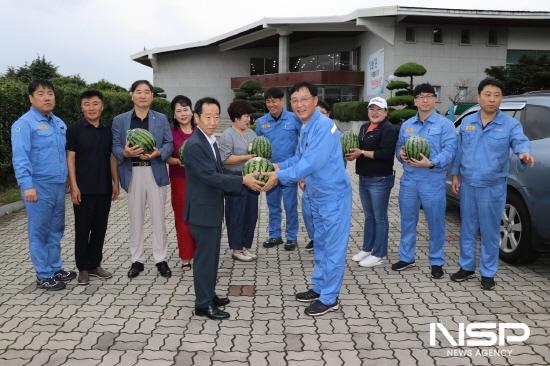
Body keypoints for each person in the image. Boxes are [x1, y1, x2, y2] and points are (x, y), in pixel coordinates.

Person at [263, 81, 352, 317]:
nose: (300, 104)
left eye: (304, 99)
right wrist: (277, 165)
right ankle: (320, 287)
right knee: (320, 246)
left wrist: (278, 176)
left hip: (332, 198)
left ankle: (330, 297)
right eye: (295, 100)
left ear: (315, 100)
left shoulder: (323, 126)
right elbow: (299, 157)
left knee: (333, 249)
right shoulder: (306, 126)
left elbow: (310, 163)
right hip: (315, 196)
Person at [450, 78, 534, 290]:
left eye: (496, 95)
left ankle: (488, 273)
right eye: (487, 94)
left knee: (489, 231)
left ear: (501, 98)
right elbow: (460, 151)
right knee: (468, 228)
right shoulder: (469, 122)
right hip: (468, 185)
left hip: (493, 187)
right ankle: (466, 267)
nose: (492, 99)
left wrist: (524, 154)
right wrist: (456, 174)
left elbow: (520, 142)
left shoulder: (510, 124)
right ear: (478, 97)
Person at [184, 97, 263, 320]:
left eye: (216, 116)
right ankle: (202, 305)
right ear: (196, 118)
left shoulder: (209, 140)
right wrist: (242, 181)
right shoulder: (195, 145)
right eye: (207, 117)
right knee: (205, 259)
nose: (212, 121)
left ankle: (208, 294)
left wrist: (242, 175)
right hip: (203, 211)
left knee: (212, 257)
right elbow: (211, 176)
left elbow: (220, 170)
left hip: (211, 209)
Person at [11, 80, 77, 290]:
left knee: (56, 229)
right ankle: (43, 274)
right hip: (38, 186)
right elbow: (20, 157)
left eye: (50, 93)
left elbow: (64, 155)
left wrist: (67, 179)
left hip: (58, 185)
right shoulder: (24, 124)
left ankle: (55, 268)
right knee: (39, 231)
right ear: (31, 98)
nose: (47, 97)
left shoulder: (58, 123)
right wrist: (26, 185)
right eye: (41, 94)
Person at [393, 83, 457, 279]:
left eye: (429, 96)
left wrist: (432, 163)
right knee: (407, 220)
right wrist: (402, 155)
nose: (425, 100)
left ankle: (436, 261)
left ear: (434, 99)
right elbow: (399, 149)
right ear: (415, 100)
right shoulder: (407, 125)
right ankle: (406, 257)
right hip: (410, 180)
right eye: (421, 96)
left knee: (435, 222)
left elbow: (450, 150)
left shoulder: (445, 124)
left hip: (433, 179)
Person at [112, 80, 173, 278]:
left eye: (147, 92)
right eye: (139, 92)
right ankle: (136, 260)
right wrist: (125, 153)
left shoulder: (161, 118)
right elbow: (115, 146)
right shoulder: (120, 120)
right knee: (135, 218)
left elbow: (169, 143)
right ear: (132, 95)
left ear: (152, 96)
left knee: (158, 219)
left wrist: (158, 153)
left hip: (155, 171)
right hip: (133, 172)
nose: (143, 95)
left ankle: (160, 259)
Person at [66, 90, 119, 285]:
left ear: (102, 106)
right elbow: (70, 158)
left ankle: (95, 264)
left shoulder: (108, 129)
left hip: (104, 188)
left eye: (95, 103)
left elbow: (111, 157)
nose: (91, 108)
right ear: (82, 107)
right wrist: (73, 185)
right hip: (83, 189)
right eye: (87, 104)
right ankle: (83, 268)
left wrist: (116, 182)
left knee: (99, 229)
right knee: (82, 230)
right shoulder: (75, 129)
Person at [346, 97, 398, 267]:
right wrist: (355, 154)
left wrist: (361, 152)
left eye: (379, 109)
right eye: (371, 109)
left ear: (386, 112)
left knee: (380, 217)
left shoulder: (388, 129)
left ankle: (379, 253)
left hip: (380, 178)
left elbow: (386, 154)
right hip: (364, 177)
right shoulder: (364, 127)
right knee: (369, 216)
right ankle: (367, 248)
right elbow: (360, 149)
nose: (374, 113)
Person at [256, 87, 302, 250]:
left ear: (282, 100)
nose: (271, 104)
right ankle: (275, 235)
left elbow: (302, 145)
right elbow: (258, 148)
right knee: (273, 205)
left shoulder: (294, 118)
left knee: (290, 206)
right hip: (270, 172)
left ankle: (291, 237)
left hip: (289, 171)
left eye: (274, 100)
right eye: (268, 101)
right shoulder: (261, 122)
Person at [218, 100, 259, 262]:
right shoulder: (228, 135)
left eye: (249, 116)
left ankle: (246, 247)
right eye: (245, 116)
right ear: (235, 117)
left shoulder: (252, 134)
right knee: (236, 214)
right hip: (235, 179)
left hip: (252, 179)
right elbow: (225, 159)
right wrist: (248, 157)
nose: (248, 119)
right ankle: (236, 248)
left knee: (251, 214)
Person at [166, 95, 196, 271]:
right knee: (182, 218)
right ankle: (185, 256)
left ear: (192, 111)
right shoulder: (170, 133)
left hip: (200, 181)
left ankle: (199, 252)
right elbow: (166, 157)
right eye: (179, 110)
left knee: (199, 217)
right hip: (180, 180)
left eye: (186, 109)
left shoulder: (201, 130)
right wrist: (177, 161)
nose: (183, 113)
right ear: (174, 114)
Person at [300, 100, 332, 253]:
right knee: (307, 212)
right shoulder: (307, 132)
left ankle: (324, 243)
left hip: (326, 185)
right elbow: (302, 157)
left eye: (323, 113)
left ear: (328, 114)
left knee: (324, 215)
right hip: (309, 182)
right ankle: (315, 238)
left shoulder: (333, 132)